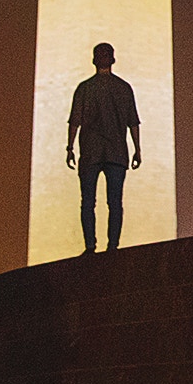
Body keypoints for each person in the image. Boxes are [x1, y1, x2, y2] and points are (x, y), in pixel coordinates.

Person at [65, 41, 143, 253]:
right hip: (116, 154)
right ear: (113, 59)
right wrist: (137, 149)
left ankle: (91, 247)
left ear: (93, 60)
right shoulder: (123, 88)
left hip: (91, 153)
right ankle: (112, 247)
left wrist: (70, 147)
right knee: (114, 202)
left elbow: (75, 121)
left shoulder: (85, 89)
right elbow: (133, 122)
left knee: (88, 202)